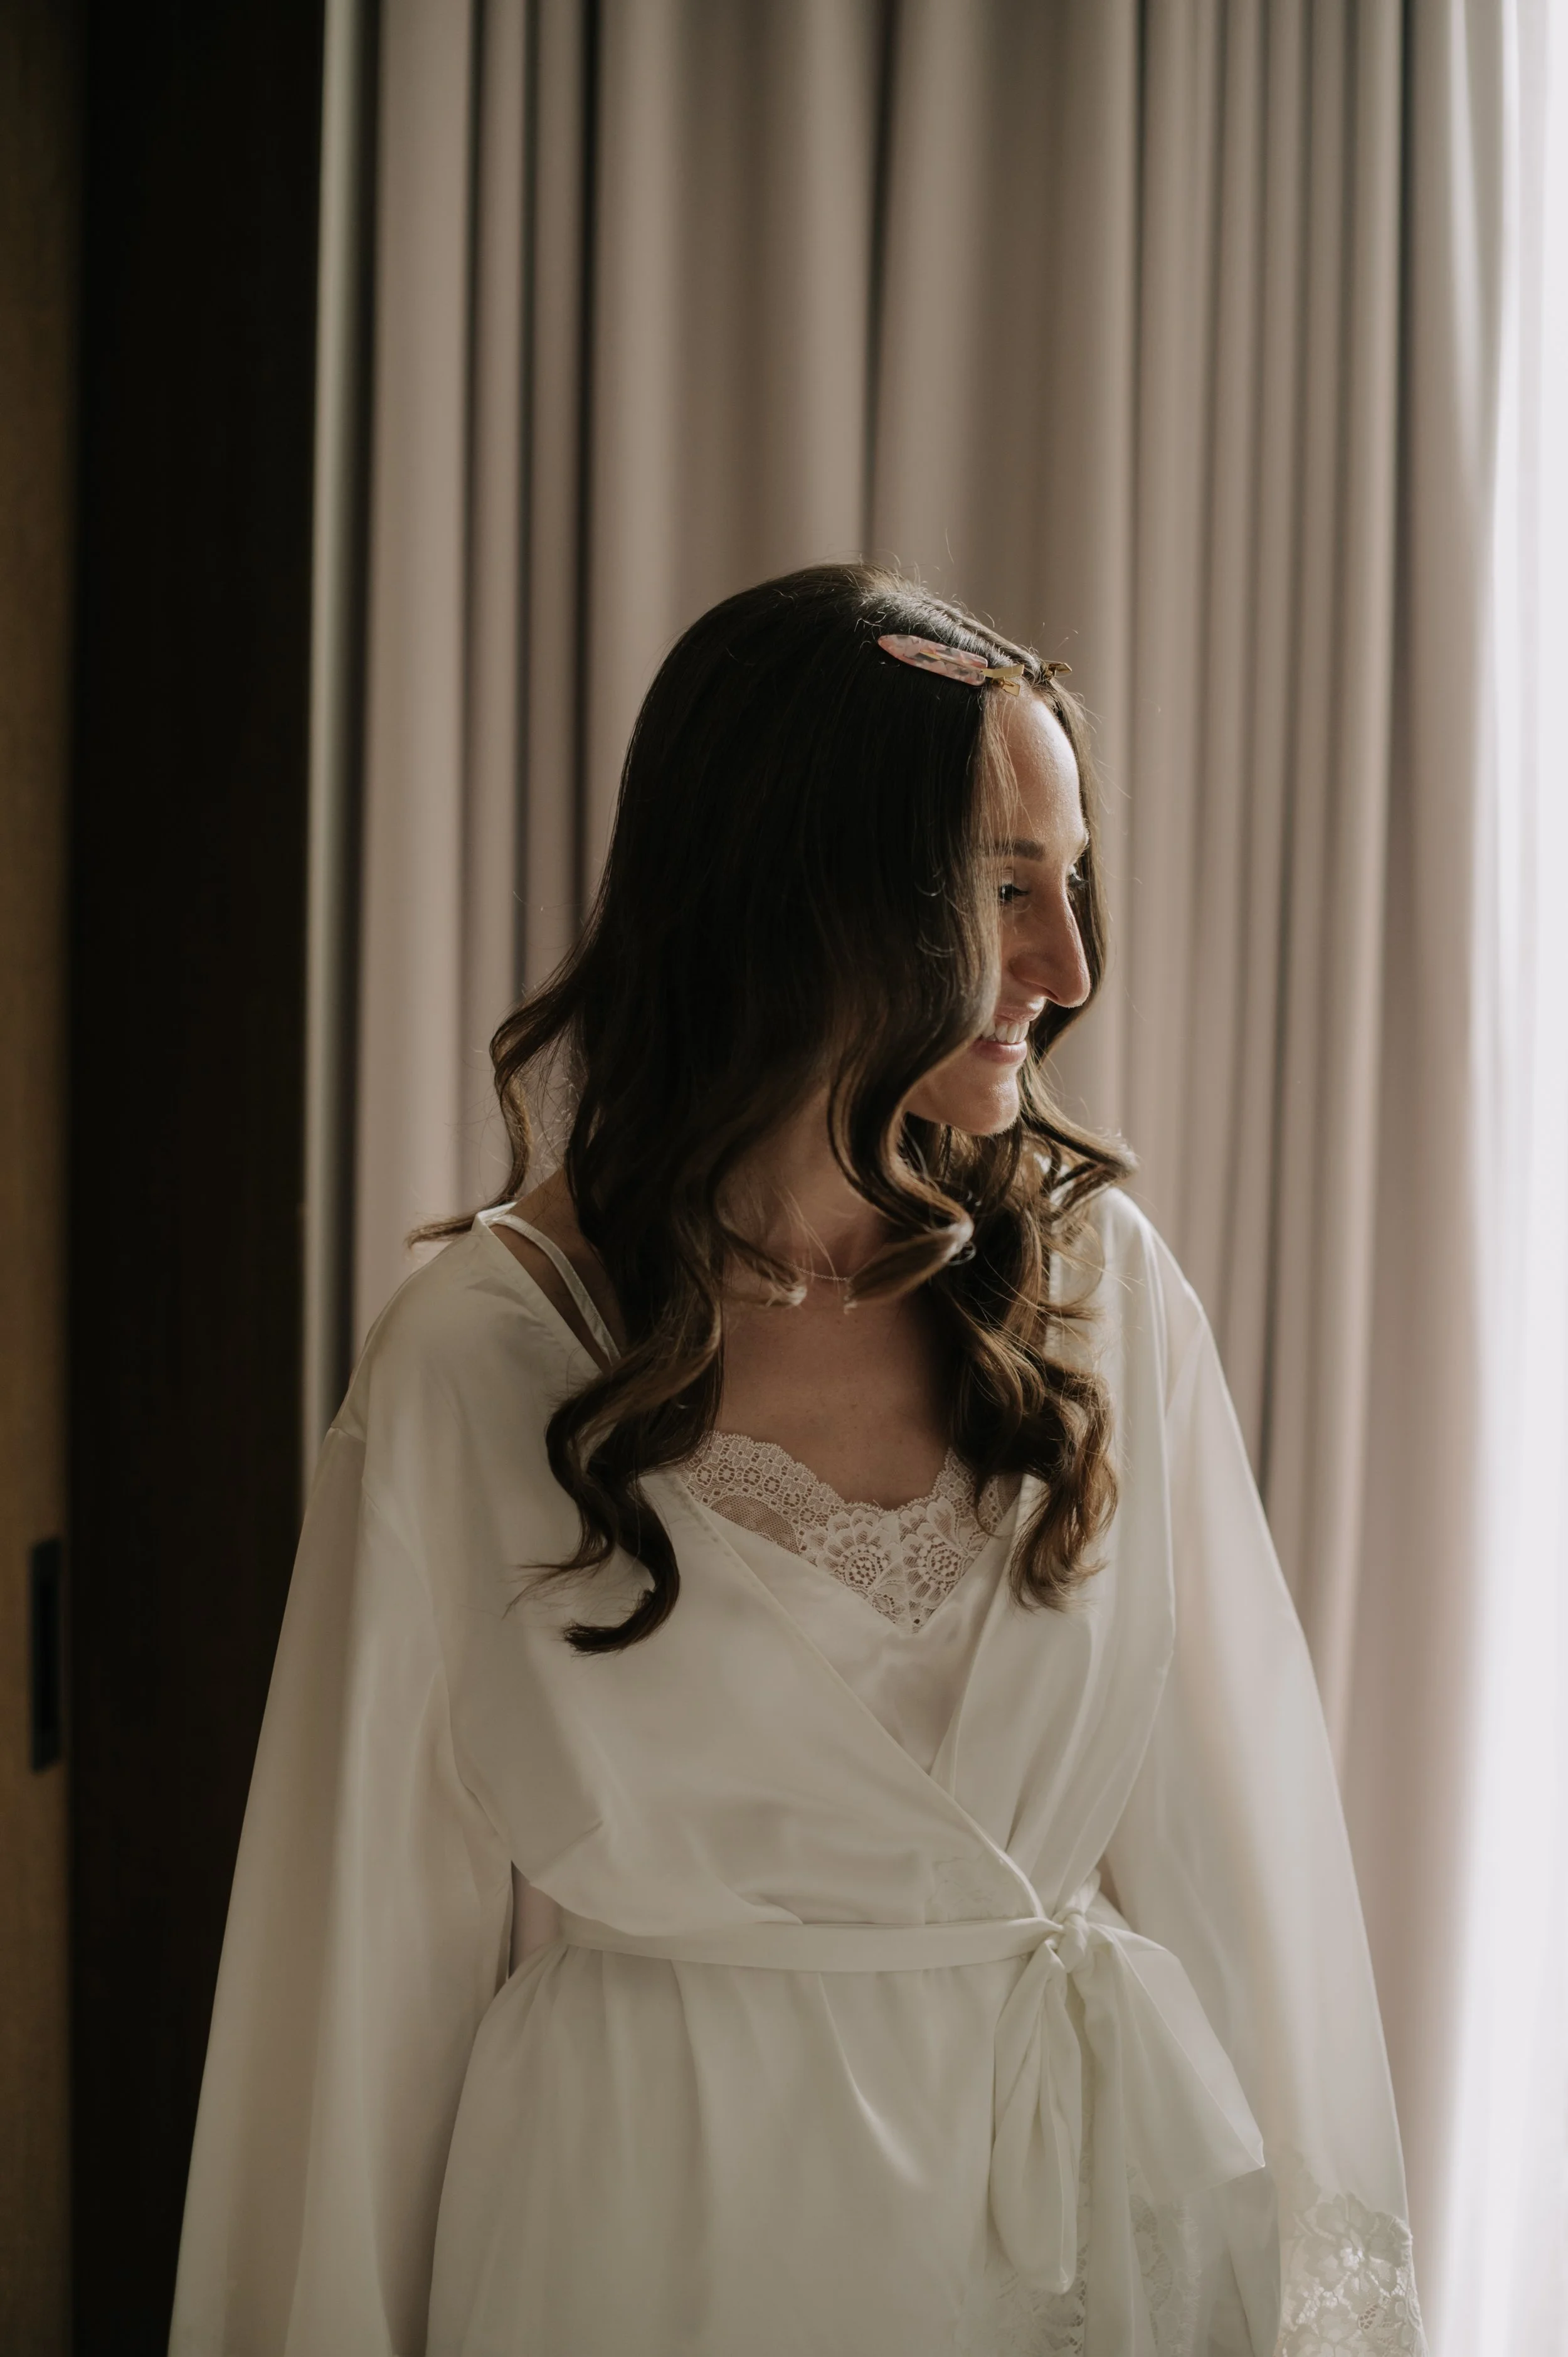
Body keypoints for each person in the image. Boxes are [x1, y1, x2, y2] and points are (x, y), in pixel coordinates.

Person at [169, 565, 1424, 2356]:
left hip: (1083, 2244)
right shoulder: (486, 1360)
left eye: (1070, 884)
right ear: (804, 895)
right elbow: (349, 1980)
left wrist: (1328, 2305)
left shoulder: (1095, 1296)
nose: (1066, 966)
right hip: (656, 2242)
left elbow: (1245, 1849)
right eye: (1005, 890)